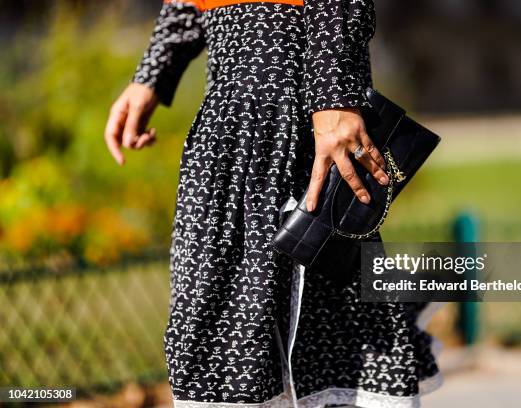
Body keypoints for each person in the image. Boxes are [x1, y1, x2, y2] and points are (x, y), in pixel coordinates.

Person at [104, 0, 441, 406]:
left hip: (296, 108)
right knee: (220, 319)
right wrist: (152, 73)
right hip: (232, 123)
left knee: (332, 301)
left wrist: (332, 92)